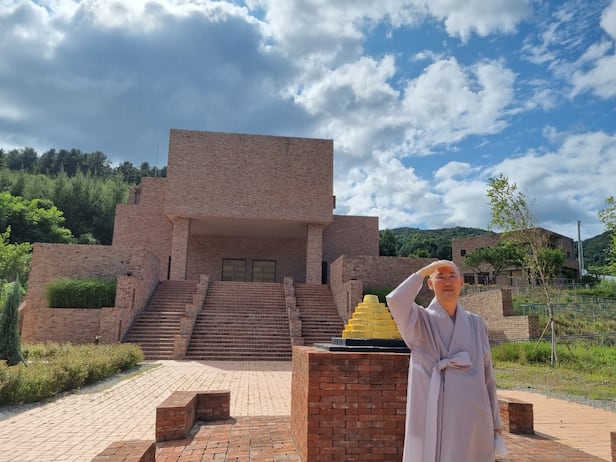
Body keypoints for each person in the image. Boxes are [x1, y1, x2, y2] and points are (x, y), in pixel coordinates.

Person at [386, 260, 502, 462]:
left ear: (461, 283)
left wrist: (496, 423)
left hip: (474, 415)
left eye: (452, 276)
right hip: (434, 411)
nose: (447, 282)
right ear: (430, 284)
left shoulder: (476, 323)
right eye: (440, 277)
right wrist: (422, 272)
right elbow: (396, 300)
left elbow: (488, 376)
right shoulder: (419, 320)